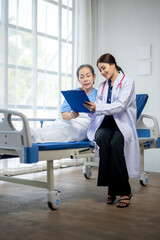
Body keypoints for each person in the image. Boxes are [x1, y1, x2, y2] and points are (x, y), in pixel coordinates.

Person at [84, 53, 140, 208]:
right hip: (105, 123)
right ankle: (112, 188)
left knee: (116, 144)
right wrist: (90, 109)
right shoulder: (102, 86)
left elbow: (121, 106)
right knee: (101, 137)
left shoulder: (128, 82)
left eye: (104, 68)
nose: (102, 72)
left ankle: (123, 191)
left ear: (113, 65)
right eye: (100, 70)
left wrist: (98, 107)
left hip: (121, 124)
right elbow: (98, 108)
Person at [31, 64, 97, 143]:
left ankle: (33, 137)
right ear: (79, 80)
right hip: (68, 121)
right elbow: (64, 115)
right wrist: (71, 115)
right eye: (82, 77)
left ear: (94, 77)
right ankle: (29, 133)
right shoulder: (73, 94)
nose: (85, 79)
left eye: (88, 76)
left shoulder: (100, 94)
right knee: (53, 127)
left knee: (63, 131)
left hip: (83, 125)